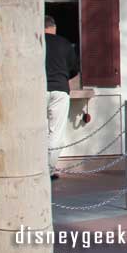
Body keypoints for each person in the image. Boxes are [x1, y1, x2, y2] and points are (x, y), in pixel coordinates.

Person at [45, 16, 79, 179]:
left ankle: (37, 168)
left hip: (38, 89)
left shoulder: (33, 42)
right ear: (54, 28)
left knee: (37, 130)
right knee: (55, 133)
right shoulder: (65, 44)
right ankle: (49, 168)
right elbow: (74, 69)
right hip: (60, 89)